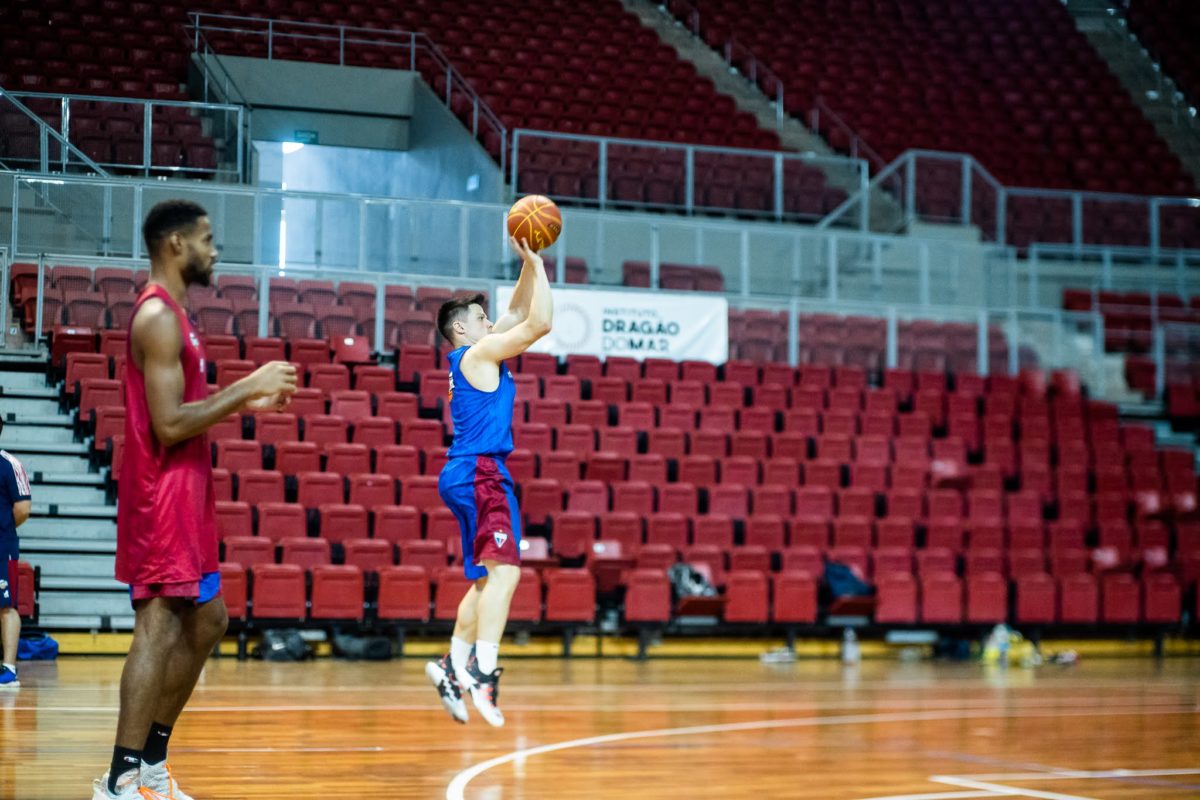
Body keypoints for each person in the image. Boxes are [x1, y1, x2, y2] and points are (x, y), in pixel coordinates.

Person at [92, 200, 297, 800]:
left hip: (188, 493)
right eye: (206, 239)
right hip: (161, 497)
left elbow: (186, 413)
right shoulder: (156, 317)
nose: (215, 249)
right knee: (157, 627)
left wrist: (246, 402)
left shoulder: (177, 315)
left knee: (209, 620)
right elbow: (168, 425)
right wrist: (247, 387)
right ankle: (119, 780)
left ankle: (151, 759)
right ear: (175, 244)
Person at [425, 237, 553, 727]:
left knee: (484, 580)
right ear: (461, 328)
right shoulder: (478, 356)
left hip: (462, 472)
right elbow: (538, 321)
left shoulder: (473, 355)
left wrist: (525, 263)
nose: (491, 320)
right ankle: (482, 667)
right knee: (508, 573)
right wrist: (540, 264)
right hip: (481, 473)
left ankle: (451, 664)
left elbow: (519, 308)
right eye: (482, 318)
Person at [0, 419, 32, 689]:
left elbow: (23, 509)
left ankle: (9, 670)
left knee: (6, 606)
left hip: (2, 546)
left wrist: (3, 529)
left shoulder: (10, 465)